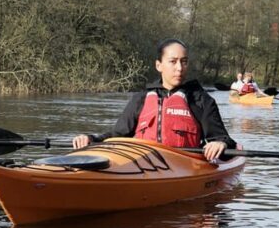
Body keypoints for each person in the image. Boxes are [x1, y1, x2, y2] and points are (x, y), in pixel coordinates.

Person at [72, 39, 236, 162]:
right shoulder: (141, 99)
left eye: (184, 62)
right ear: (159, 65)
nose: (179, 68)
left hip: (183, 166)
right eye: (173, 62)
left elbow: (223, 139)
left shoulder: (201, 100)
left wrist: (220, 144)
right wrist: (91, 139)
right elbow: (117, 136)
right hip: (141, 163)